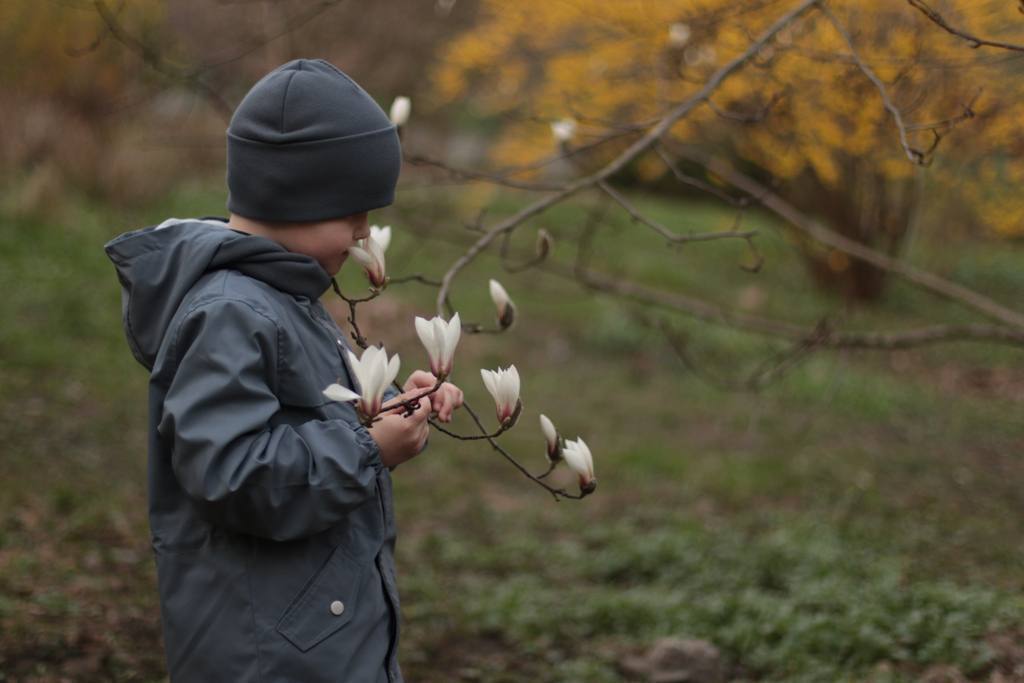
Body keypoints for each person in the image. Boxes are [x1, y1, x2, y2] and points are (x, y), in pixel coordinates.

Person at [103, 58, 462, 682]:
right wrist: (366, 448)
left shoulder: (280, 297)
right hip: (266, 654)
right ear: (294, 198)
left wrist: (391, 407)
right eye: (350, 215)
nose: (361, 235)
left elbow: (302, 418)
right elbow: (232, 473)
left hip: (317, 634)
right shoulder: (231, 313)